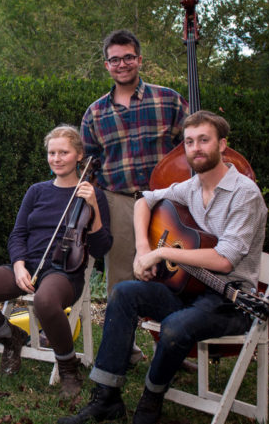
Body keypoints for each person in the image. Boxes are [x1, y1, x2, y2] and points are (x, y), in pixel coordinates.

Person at [58, 110, 267, 424]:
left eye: (204, 140)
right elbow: (143, 198)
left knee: (175, 328)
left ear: (223, 145)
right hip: (188, 289)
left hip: (228, 301)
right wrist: (144, 248)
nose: (195, 148)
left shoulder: (244, 194)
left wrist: (163, 254)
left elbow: (224, 259)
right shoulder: (192, 186)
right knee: (124, 292)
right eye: (189, 142)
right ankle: (106, 397)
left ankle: (150, 402)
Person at [0, 125, 112, 398]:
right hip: (29, 265)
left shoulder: (92, 194)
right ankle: (10, 337)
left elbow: (102, 247)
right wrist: (18, 264)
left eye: (63, 152)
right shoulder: (37, 191)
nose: (56, 158)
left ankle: (68, 368)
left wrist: (95, 209)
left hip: (65, 271)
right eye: (51, 153)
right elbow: (18, 234)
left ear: (79, 155)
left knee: (45, 300)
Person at [82, 29, 189, 364]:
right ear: (106, 65)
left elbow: (193, 146)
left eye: (129, 57)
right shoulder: (95, 113)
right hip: (120, 200)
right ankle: (124, 347)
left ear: (140, 60)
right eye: (115, 59)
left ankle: (173, 345)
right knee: (121, 275)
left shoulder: (168, 99)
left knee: (174, 276)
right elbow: (89, 161)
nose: (122, 64)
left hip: (168, 203)